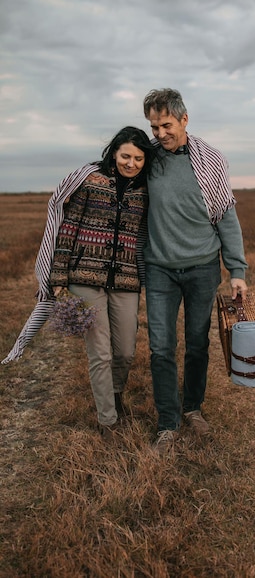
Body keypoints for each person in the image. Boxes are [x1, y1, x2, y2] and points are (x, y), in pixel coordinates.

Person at [142, 88, 248, 454]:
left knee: (198, 344)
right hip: (159, 270)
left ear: (184, 119)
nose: (159, 133)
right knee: (160, 348)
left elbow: (226, 217)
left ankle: (192, 408)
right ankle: (168, 423)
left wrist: (237, 269)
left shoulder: (211, 160)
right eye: (154, 127)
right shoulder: (148, 160)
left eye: (166, 125)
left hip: (203, 268)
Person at [48, 126, 154, 441]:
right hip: (85, 277)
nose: (131, 163)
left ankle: (116, 393)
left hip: (125, 278)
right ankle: (108, 421)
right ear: (113, 153)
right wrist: (59, 275)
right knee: (101, 353)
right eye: (125, 156)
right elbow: (68, 228)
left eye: (138, 158)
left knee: (124, 351)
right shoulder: (90, 181)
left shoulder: (145, 190)